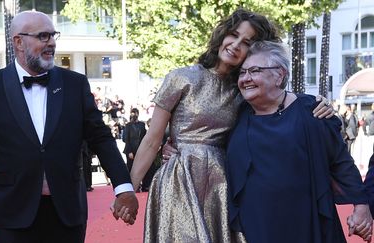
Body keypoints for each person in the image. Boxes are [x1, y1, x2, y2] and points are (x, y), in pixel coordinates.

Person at [118, 9, 333, 242]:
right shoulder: (182, 78)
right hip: (179, 180)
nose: (236, 45)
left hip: (222, 184)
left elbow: (280, 101)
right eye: (233, 35)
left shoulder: (244, 92)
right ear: (222, 35)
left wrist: (318, 103)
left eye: (247, 42)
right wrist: (128, 190)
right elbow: (151, 141)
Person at [0, 11, 138, 243]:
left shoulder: (75, 84)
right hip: (12, 214)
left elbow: (102, 139)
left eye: (53, 36)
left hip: (67, 213)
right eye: (43, 36)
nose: (52, 43)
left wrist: (123, 187)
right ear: (18, 42)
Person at [225, 41, 372, 243]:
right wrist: (174, 146)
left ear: (280, 75)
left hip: (305, 221)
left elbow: (339, 162)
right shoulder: (236, 115)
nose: (245, 78)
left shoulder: (312, 110)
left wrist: (361, 205)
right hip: (256, 225)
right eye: (242, 73)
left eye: (255, 71)